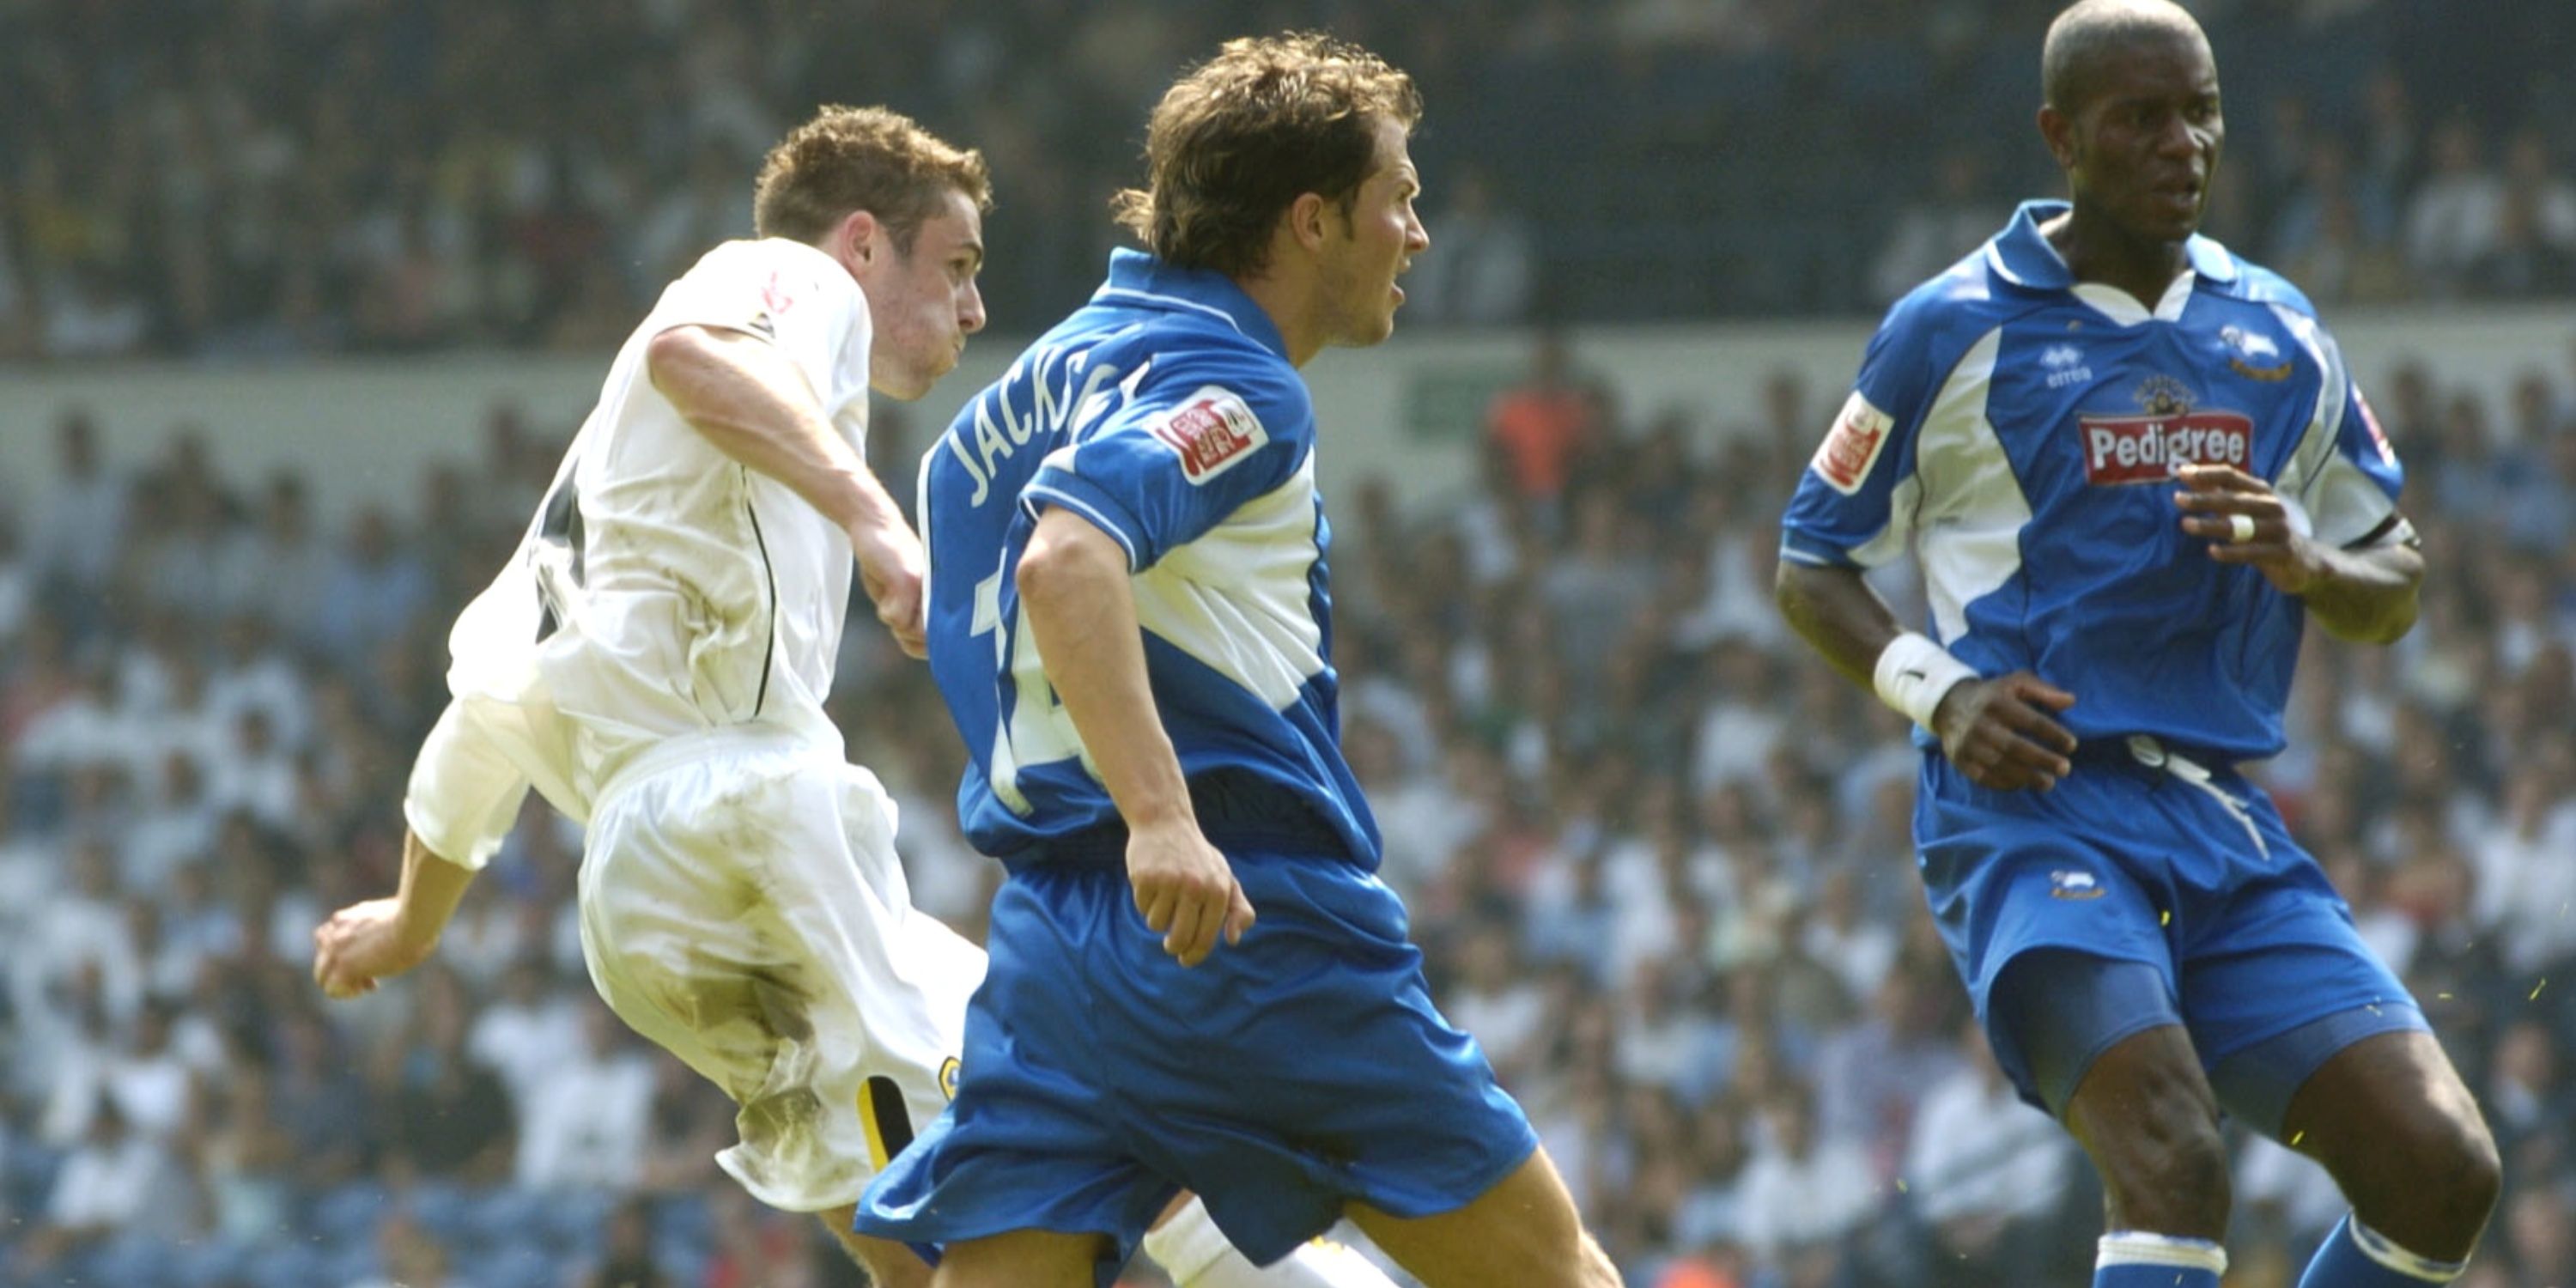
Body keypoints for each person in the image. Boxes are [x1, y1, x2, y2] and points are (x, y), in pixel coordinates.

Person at [309, 106, 1370, 1288]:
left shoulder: (594, 506)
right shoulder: (787, 279)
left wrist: (410, 925)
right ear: (863, 244)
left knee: (914, 1221)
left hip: (637, 893)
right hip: (746, 809)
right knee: (1094, 1124)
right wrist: (881, 531)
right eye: (957, 267)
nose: (972, 310)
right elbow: (696, 355)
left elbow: (480, 725)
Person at [854, 33, 1619, 1288]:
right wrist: (1160, 816)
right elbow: (1067, 563)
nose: (1418, 235)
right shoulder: (1238, 383)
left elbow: (982, 597)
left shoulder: (1002, 410)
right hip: (1240, 924)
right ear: (1314, 222)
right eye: (1402, 200)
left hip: (1053, 947)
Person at [1771, 5, 2500, 1288]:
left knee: (2442, 1173)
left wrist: (2310, 560)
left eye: (2202, 110)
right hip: (2032, 812)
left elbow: (2398, 578)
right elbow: (1810, 560)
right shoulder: (1951, 327)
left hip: (2220, 821)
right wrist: (1940, 698)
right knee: (2172, 1153)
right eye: (2142, 118)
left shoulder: (2277, 333)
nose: (2187, 143)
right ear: (2061, 135)